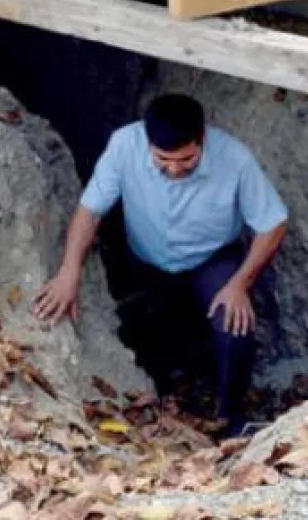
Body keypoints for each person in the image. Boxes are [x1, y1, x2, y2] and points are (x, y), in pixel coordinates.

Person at [33, 94, 289, 437]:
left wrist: (241, 283)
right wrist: (69, 271)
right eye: (162, 160)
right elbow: (90, 211)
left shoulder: (235, 160)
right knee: (143, 328)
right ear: (147, 142)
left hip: (210, 260)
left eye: (186, 160)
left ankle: (232, 417)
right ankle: (155, 399)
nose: (173, 169)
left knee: (234, 326)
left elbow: (273, 222)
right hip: (144, 260)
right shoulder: (125, 145)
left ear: (202, 140)